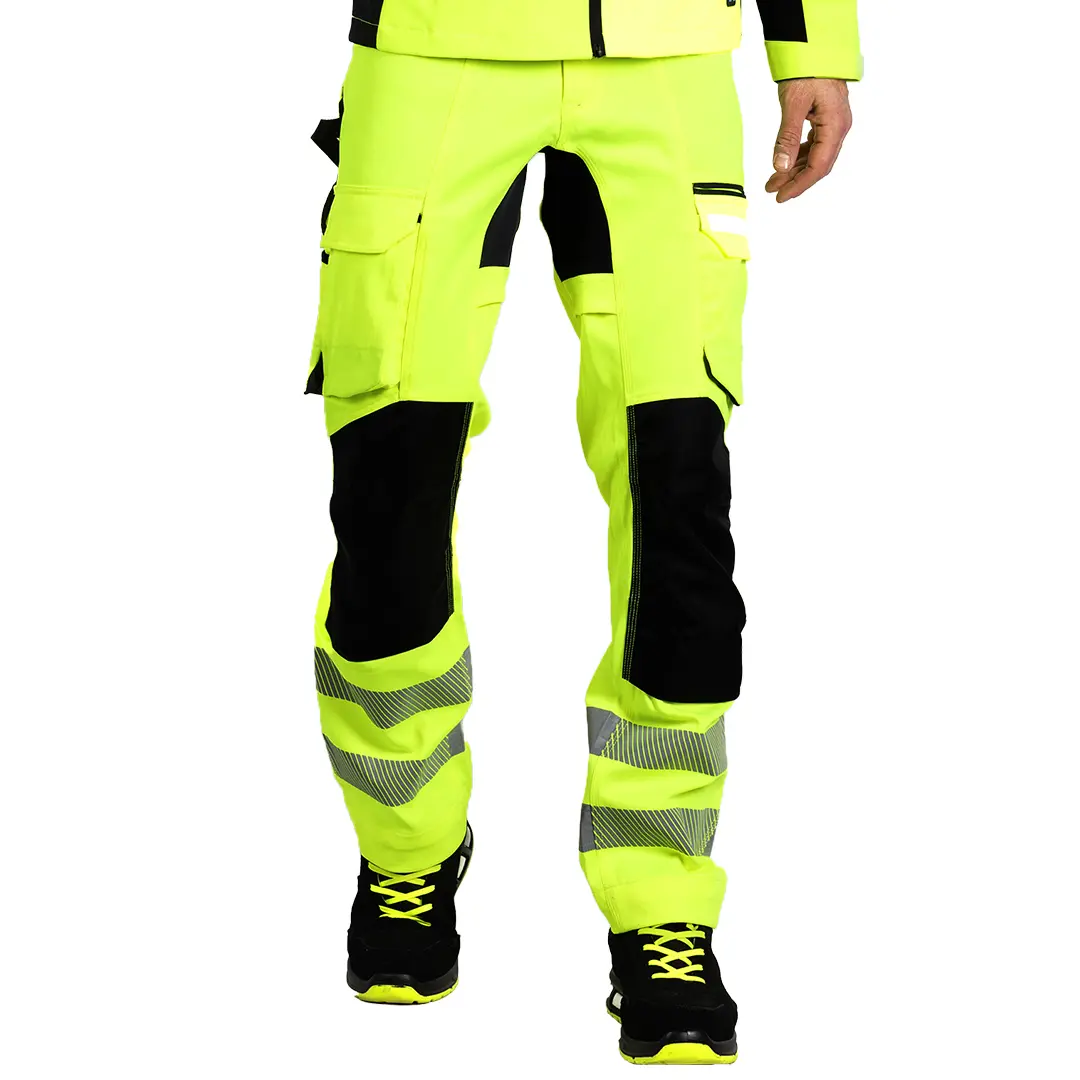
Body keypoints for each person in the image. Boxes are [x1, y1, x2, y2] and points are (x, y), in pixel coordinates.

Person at [306, 0, 860, 1064]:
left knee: (675, 494)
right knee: (390, 484)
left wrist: (814, 46)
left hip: (666, 54)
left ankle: (663, 903)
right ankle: (406, 851)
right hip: (435, 47)